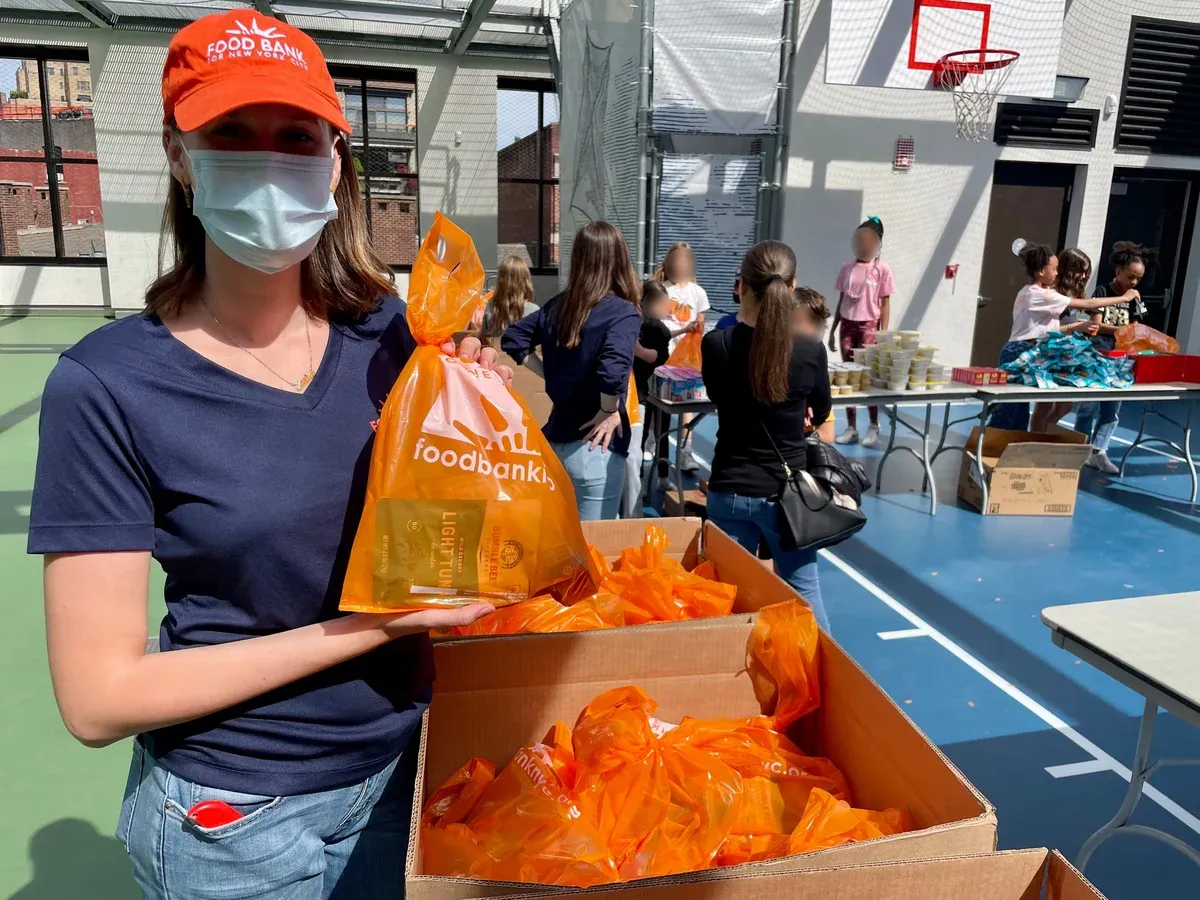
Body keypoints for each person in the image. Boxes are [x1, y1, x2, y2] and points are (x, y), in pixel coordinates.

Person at [26, 12, 504, 899]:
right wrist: (370, 628)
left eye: (296, 136)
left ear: (334, 161)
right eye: (231, 133)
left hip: (407, 773)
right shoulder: (106, 386)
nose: (269, 159)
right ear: (179, 155)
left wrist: (486, 405)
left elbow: (475, 505)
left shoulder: (392, 339)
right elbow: (99, 699)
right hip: (233, 815)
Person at [701, 241, 833, 632]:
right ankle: (826, 682)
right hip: (787, 497)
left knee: (729, 599)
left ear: (740, 286)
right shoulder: (809, 350)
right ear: (792, 290)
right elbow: (821, 411)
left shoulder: (717, 344)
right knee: (805, 596)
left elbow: (716, 395)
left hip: (729, 487)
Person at [502, 221, 641, 521]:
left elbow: (513, 339)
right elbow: (612, 371)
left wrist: (548, 372)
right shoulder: (622, 312)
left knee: (557, 548)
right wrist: (608, 409)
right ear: (619, 258)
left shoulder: (557, 306)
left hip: (554, 444)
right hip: (596, 447)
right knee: (593, 552)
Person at [989, 244, 1138, 432]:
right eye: (1054, 269)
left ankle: (1021, 447)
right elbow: (1089, 303)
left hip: (1029, 351)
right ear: (1042, 271)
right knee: (1007, 413)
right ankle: (986, 449)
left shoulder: (1037, 293)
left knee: (1019, 413)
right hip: (1021, 352)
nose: (1057, 273)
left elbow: (1043, 328)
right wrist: (1123, 298)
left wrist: (1078, 326)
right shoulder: (1042, 294)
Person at [1074, 241, 1150, 474]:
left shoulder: (1134, 299)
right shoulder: (1102, 293)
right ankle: (1081, 449)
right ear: (1118, 272)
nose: (1134, 283)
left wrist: (1132, 336)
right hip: (1098, 354)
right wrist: (1118, 329)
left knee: (1111, 408)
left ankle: (1100, 451)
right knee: (1088, 406)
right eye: (1130, 277)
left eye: (1138, 279)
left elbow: (1135, 327)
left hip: (1121, 358)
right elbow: (1095, 326)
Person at [828, 217, 894, 448]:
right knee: (849, 377)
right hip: (847, 323)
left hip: (869, 325)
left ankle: (874, 424)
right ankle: (851, 426)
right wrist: (833, 328)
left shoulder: (882, 269)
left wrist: (882, 335)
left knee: (866, 376)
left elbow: (885, 304)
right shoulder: (846, 267)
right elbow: (842, 299)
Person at [656, 241, 710, 472]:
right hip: (662, 353)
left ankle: (685, 451)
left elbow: (700, 323)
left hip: (685, 361)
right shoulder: (661, 289)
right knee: (658, 402)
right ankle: (654, 440)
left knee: (686, 403)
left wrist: (696, 331)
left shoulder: (697, 292)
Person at [634, 280, 673, 471]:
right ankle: (640, 476)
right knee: (640, 434)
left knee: (661, 433)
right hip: (642, 389)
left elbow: (658, 357)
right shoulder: (636, 323)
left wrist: (638, 349)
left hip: (657, 389)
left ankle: (662, 475)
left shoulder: (659, 329)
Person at [479, 255, 539, 347]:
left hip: (497, 359)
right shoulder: (534, 311)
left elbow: (483, 338)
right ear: (526, 280)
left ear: (500, 281)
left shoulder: (491, 308)